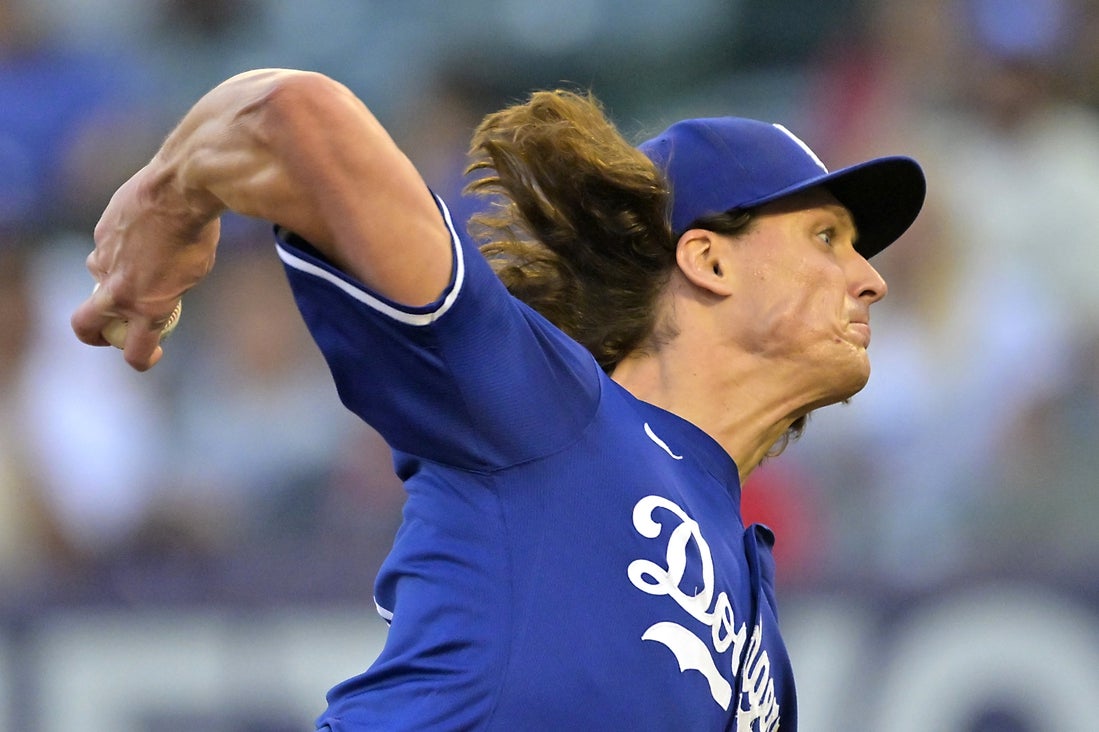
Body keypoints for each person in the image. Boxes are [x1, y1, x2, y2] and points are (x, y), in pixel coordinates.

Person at [71, 69, 924, 731]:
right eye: (826, 237)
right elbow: (292, 118)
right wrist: (170, 196)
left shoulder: (758, 640)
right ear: (708, 260)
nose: (870, 279)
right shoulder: (547, 409)